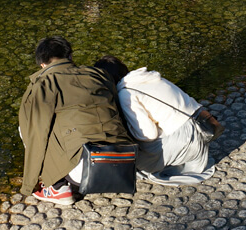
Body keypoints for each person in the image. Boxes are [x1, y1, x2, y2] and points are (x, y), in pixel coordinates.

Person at [18, 37, 131, 205]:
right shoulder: (98, 74)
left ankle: (58, 188)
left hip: (86, 172)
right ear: (70, 56)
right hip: (125, 161)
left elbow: (36, 136)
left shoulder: (43, 85)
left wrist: (29, 185)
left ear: (42, 64)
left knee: (28, 126)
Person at [94, 56, 218, 186]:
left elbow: (148, 134)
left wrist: (129, 130)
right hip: (204, 128)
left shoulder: (126, 94)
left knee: (137, 163)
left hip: (187, 140)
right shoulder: (150, 78)